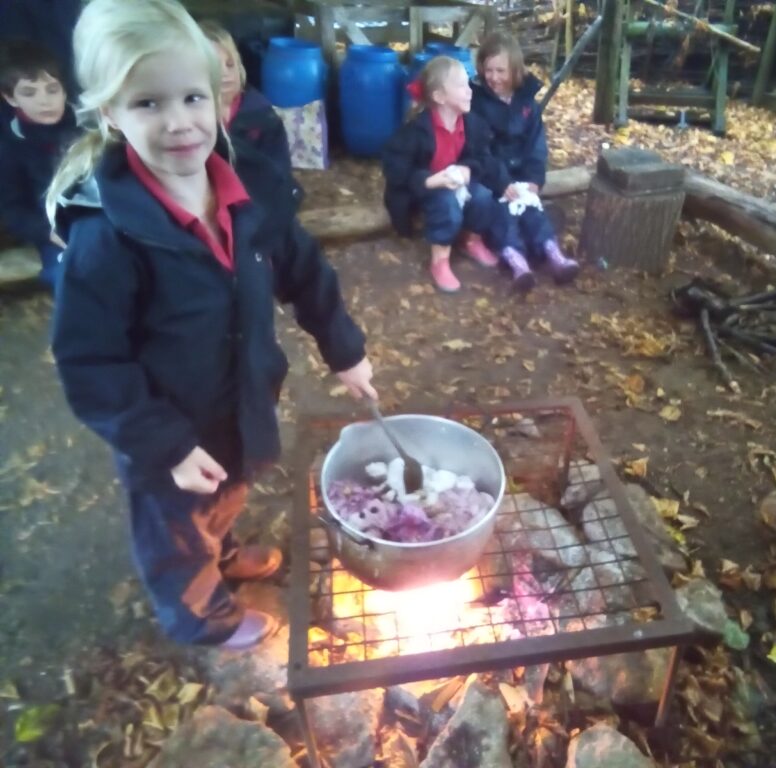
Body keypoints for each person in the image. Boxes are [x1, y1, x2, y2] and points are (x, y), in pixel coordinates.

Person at [46, 0, 376, 650]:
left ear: (222, 97)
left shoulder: (246, 190)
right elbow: (90, 364)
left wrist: (344, 349)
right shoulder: (107, 237)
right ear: (110, 113)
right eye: (148, 104)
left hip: (240, 399)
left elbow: (302, 268)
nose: (178, 123)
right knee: (176, 528)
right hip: (165, 429)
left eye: (192, 97)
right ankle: (201, 616)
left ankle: (219, 551)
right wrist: (164, 444)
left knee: (223, 497)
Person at [382, 56, 535, 294]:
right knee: (446, 204)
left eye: (469, 84)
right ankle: (440, 258)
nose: (470, 91)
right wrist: (429, 180)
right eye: (462, 86)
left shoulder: (472, 124)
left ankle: (470, 239)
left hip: (457, 183)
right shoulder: (416, 132)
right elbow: (395, 169)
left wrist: (468, 169)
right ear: (440, 97)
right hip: (426, 189)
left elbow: (482, 157)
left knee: (483, 197)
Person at [471, 32, 578, 283]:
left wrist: (534, 178)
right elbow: (479, 150)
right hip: (494, 177)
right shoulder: (477, 103)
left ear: (515, 71)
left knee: (533, 211)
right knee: (504, 216)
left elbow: (536, 145)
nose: (494, 77)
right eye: (489, 70)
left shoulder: (528, 103)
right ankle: (517, 262)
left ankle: (554, 254)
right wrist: (501, 182)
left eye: (501, 71)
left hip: (521, 175)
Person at [0, 39, 79, 288]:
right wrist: (48, 232)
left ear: (65, 91)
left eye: (52, 90)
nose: (44, 101)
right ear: (10, 98)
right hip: (56, 233)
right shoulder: (11, 147)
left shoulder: (88, 128)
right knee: (68, 277)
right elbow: (14, 209)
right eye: (29, 92)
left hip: (106, 221)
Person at [199, 20, 292, 178]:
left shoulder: (262, 115)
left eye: (230, 65)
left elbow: (279, 173)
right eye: (214, 66)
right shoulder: (191, 119)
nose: (225, 74)